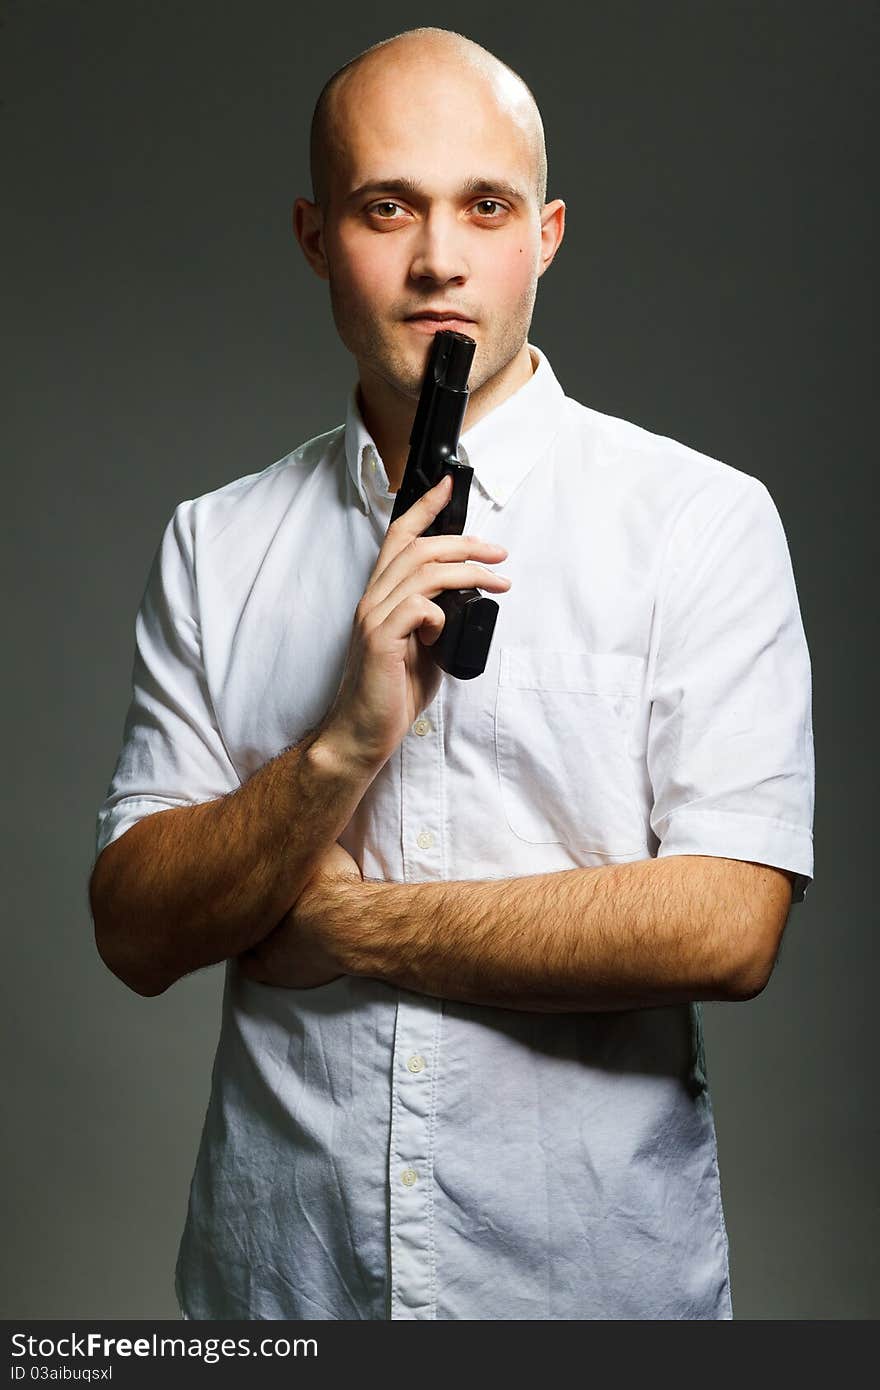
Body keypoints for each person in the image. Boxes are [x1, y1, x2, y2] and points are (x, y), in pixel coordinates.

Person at [89, 27, 815, 1321]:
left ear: (545, 232)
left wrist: (350, 925)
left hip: (594, 1304)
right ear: (317, 237)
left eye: (484, 206)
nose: (438, 257)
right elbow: (135, 927)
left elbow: (731, 920)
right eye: (388, 207)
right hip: (277, 1307)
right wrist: (337, 749)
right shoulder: (216, 542)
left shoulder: (700, 521)